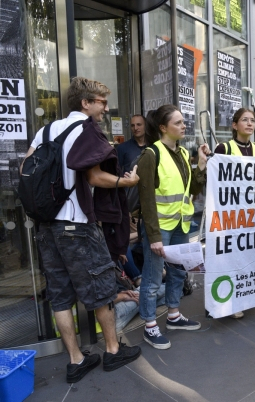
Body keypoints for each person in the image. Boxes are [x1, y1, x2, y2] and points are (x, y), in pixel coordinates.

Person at [23, 77, 142, 383]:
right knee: (100, 289)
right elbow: (93, 176)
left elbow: (27, 169)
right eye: (101, 102)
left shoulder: (45, 130)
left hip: (46, 227)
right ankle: (114, 350)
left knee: (60, 295)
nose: (105, 108)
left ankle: (76, 360)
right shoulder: (85, 130)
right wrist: (126, 182)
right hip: (75, 225)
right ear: (85, 103)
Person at [137, 104, 211, 349]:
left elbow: (191, 191)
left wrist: (200, 164)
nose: (184, 126)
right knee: (152, 276)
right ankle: (149, 326)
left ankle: (173, 316)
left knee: (179, 272)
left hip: (180, 224)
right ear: (162, 127)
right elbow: (146, 199)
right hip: (160, 229)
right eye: (178, 122)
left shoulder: (181, 154)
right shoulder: (151, 154)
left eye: (183, 121)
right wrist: (154, 235)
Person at [214, 107, 255, 318]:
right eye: (245, 120)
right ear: (235, 125)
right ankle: (233, 301)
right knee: (232, 257)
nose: (250, 124)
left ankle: (247, 294)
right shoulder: (223, 148)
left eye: (253, 120)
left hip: (253, 215)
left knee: (250, 255)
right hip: (231, 216)